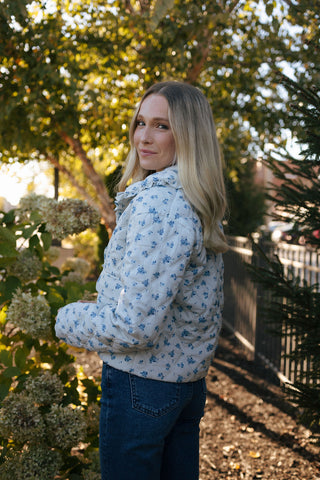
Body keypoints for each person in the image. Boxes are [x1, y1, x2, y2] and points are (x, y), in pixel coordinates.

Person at [55, 80, 228, 480]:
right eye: (140, 123)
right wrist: (99, 304)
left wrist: (66, 319)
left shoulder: (159, 203)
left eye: (162, 126)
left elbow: (134, 328)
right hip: (182, 386)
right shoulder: (195, 198)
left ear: (189, 135)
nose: (143, 138)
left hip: (142, 388)